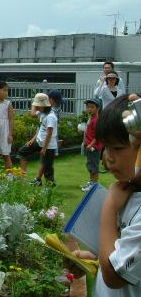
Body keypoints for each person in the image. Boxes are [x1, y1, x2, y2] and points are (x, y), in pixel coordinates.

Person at [73, 94, 140, 296]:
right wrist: (95, 256)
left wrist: (109, 206)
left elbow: (113, 276)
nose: (108, 157)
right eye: (106, 147)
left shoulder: (118, 197)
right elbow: (121, 248)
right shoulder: (127, 191)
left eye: (117, 148)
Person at [17, 93, 58, 186]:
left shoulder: (51, 116)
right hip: (39, 141)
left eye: (38, 105)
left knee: (47, 167)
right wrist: (32, 139)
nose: (37, 107)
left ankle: (49, 184)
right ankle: (24, 177)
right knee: (22, 152)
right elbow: (33, 115)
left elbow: (49, 133)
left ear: (43, 105)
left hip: (48, 146)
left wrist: (44, 148)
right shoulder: (43, 112)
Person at [79, 98, 103, 192]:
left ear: (98, 108)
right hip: (90, 146)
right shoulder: (91, 119)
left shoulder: (96, 120)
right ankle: (91, 182)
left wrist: (91, 144)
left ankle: (94, 185)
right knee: (90, 164)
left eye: (92, 107)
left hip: (94, 147)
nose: (89, 109)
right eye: (88, 107)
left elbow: (98, 135)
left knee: (94, 166)